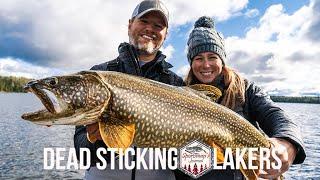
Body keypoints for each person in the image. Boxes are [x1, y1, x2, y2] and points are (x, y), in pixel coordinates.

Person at [178, 16, 306, 180]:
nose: (206, 65)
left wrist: (288, 142)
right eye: (198, 58)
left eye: (212, 57)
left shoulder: (246, 89)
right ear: (191, 62)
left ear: (222, 60)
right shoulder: (182, 93)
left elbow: (275, 114)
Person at [74, 1, 184, 179]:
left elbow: (185, 168)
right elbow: (83, 154)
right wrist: (102, 141)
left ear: (165, 34)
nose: (150, 29)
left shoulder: (175, 84)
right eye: (144, 21)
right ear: (130, 24)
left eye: (158, 25)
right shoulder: (98, 76)